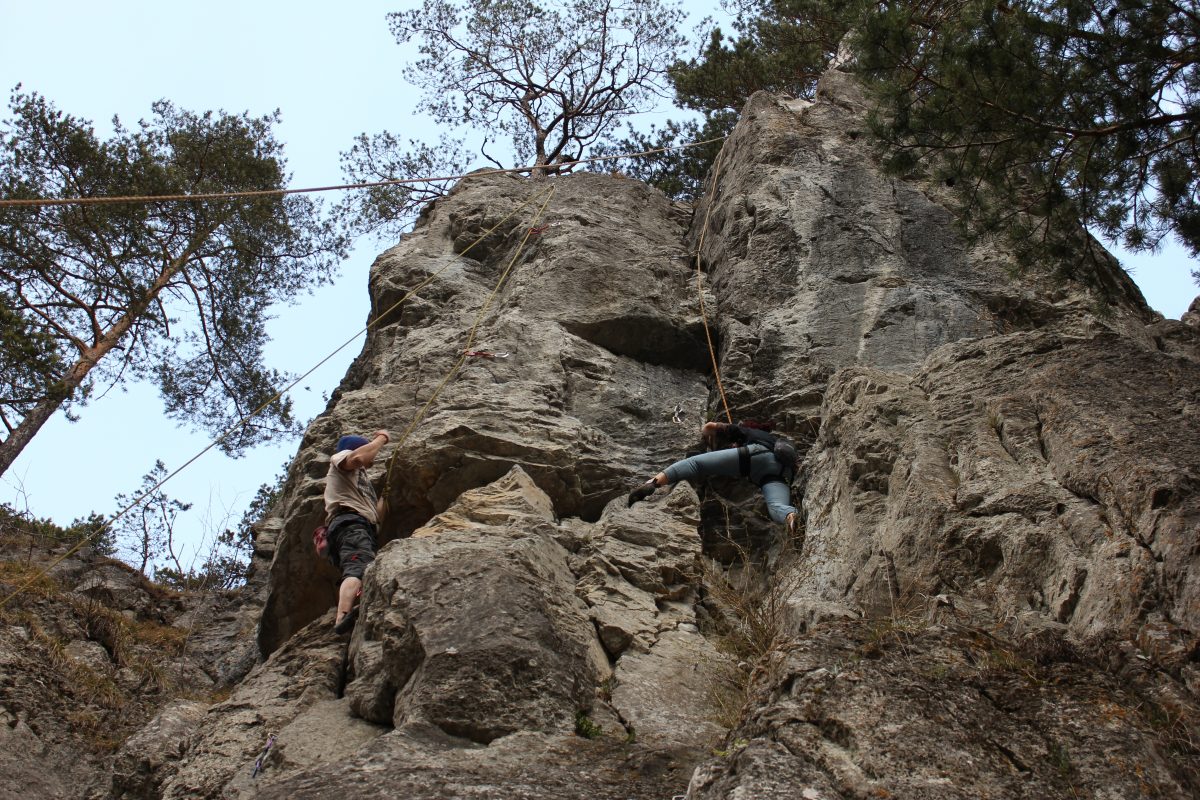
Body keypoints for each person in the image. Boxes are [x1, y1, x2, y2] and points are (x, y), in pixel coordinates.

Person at [627, 421, 798, 535]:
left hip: (755, 456)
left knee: (695, 463)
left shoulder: (746, 430)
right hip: (782, 472)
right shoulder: (774, 440)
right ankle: (790, 516)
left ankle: (653, 483)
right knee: (776, 505)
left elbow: (709, 426)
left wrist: (710, 437)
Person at [324, 430, 390, 634]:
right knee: (357, 566)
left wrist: (384, 499)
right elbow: (360, 457)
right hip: (350, 523)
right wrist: (382, 439)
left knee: (363, 565)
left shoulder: (359, 480)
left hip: (360, 525)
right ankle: (342, 616)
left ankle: (354, 606)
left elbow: (375, 517)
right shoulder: (340, 459)